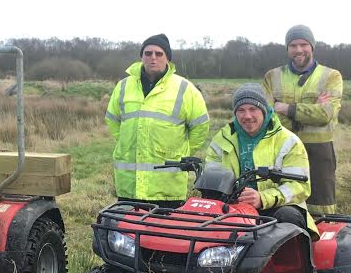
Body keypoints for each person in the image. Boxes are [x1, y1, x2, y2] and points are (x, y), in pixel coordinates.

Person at [105, 33, 211, 206]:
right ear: (141, 57)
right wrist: (128, 142)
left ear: (168, 58)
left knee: (164, 232)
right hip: (129, 186)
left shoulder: (185, 89)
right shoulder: (123, 86)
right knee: (127, 232)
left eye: (159, 54)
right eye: (148, 53)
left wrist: (182, 150)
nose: (153, 58)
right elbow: (112, 119)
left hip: (167, 189)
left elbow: (201, 126)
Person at [205, 84, 317, 235]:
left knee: (288, 216)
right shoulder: (221, 139)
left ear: (264, 110)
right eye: (241, 110)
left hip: (275, 207)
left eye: (253, 109)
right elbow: (211, 181)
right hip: (232, 207)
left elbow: (299, 187)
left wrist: (263, 198)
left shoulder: (288, 141)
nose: (247, 116)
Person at [262, 25, 342, 215]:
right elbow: (264, 115)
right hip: (280, 148)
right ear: (287, 49)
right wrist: (311, 108)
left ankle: (323, 242)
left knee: (321, 207)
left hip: (318, 151)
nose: (299, 50)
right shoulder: (272, 77)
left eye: (303, 44)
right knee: (283, 203)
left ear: (312, 47)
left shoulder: (331, 76)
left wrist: (284, 107)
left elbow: (325, 115)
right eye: (293, 45)